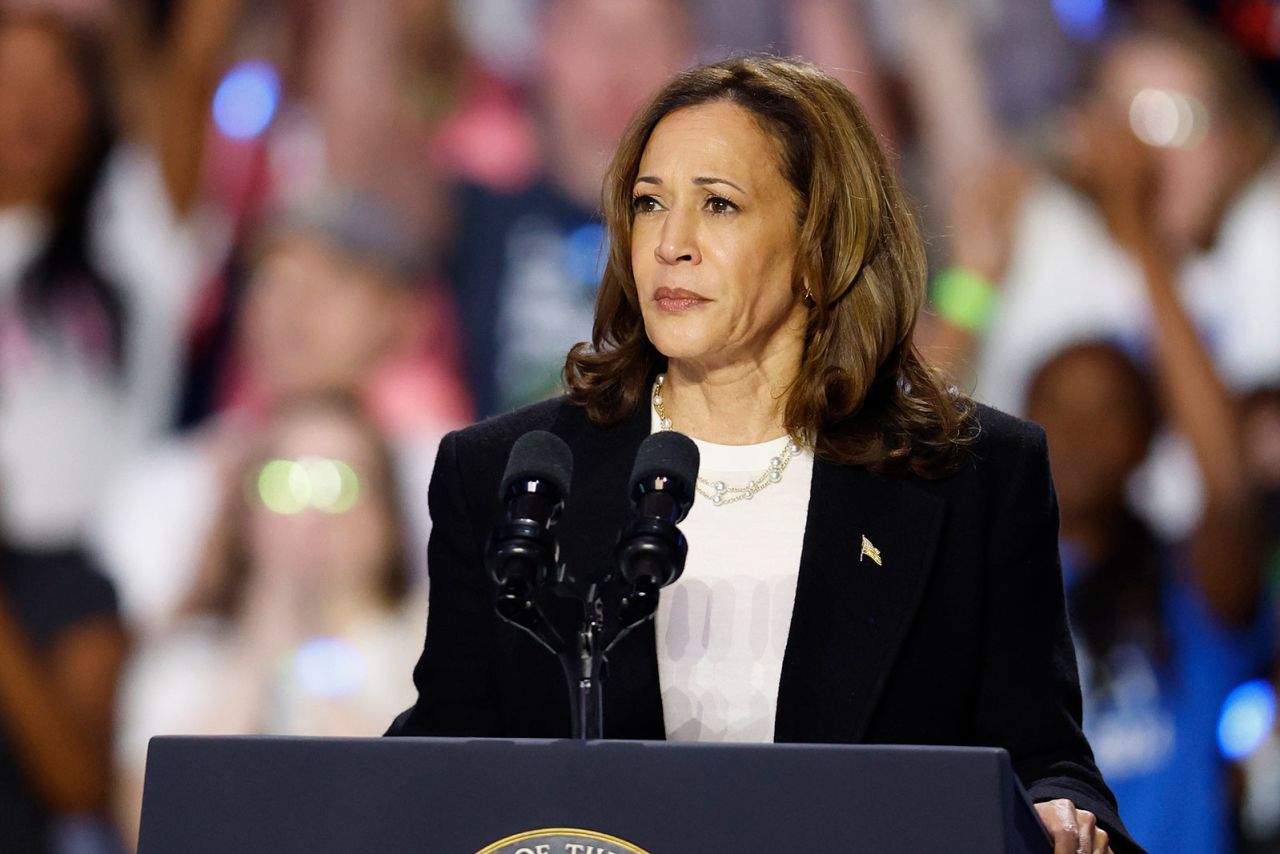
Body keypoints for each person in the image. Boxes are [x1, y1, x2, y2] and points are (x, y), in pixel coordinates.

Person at [388, 56, 1137, 853]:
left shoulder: (972, 479)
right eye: (649, 205)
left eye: (718, 204)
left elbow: (1046, 757)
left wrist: (1060, 817)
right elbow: (444, 761)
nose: (671, 245)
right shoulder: (509, 478)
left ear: (819, 245)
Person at [114, 393, 424, 845]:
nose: (313, 514)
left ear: (387, 517)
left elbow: (418, 818)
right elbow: (146, 827)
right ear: (245, 513)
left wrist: (316, 657)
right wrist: (259, 652)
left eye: (341, 483)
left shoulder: (431, 651)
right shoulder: (186, 657)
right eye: (283, 482)